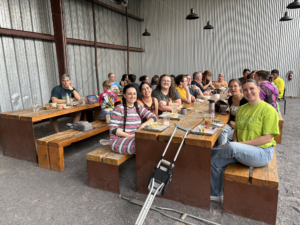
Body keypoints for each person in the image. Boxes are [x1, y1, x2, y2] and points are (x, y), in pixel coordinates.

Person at [210, 79, 279, 202]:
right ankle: (216, 194)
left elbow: (268, 138)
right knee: (215, 161)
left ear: (259, 89)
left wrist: (238, 145)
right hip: (241, 150)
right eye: (245, 90)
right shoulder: (242, 109)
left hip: (262, 152)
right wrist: (237, 144)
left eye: (252, 88)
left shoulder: (268, 110)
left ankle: (203, 155)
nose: (248, 92)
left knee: (228, 148)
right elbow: (236, 130)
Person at [109, 84, 157, 155]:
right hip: (119, 140)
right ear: (124, 95)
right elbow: (113, 129)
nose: (133, 96)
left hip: (135, 138)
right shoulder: (119, 108)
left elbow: (153, 117)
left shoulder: (138, 107)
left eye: (134, 94)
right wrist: (130, 136)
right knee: (144, 145)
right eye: (129, 94)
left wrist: (142, 125)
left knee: (154, 143)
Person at [216, 79, 248, 146]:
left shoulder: (245, 100)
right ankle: (224, 150)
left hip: (243, 128)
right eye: (230, 86)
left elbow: (249, 119)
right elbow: (232, 113)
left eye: (235, 86)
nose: (232, 88)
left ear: (240, 87)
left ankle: (222, 151)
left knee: (222, 134)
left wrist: (237, 124)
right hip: (231, 125)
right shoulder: (230, 99)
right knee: (220, 129)